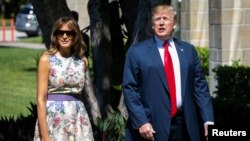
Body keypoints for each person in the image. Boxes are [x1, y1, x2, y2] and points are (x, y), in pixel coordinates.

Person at [122, 3, 214, 141]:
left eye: (165, 19)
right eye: (157, 19)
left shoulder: (188, 51)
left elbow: (200, 87)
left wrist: (208, 120)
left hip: (185, 125)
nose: (161, 23)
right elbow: (130, 88)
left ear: (174, 24)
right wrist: (141, 121)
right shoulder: (137, 52)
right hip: (151, 125)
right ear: (152, 25)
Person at [33, 16, 101, 141]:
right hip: (54, 118)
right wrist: (45, 136)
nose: (64, 36)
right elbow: (41, 99)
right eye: (60, 33)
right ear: (55, 35)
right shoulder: (46, 59)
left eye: (69, 33)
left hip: (78, 117)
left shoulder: (82, 61)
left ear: (76, 36)